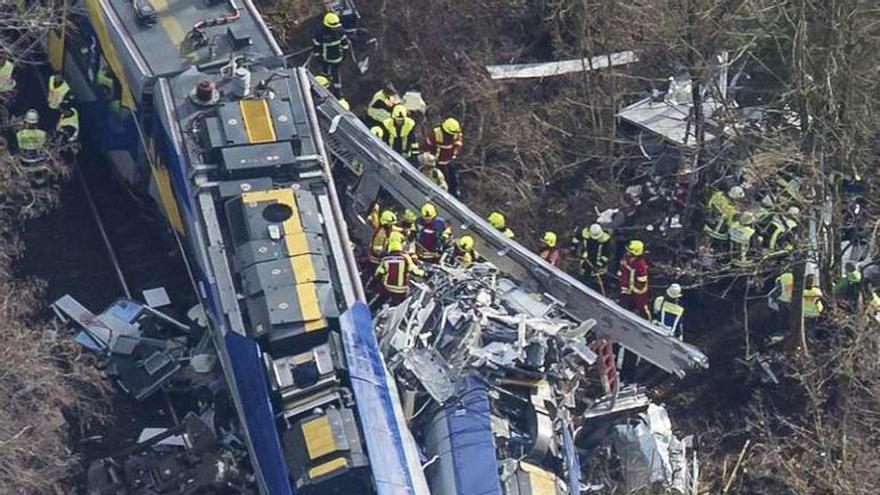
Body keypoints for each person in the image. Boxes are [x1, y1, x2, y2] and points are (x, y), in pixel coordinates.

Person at [373, 234, 425, 307]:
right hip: (401, 290)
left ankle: (372, 310)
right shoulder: (406, 259)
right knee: (398, 306)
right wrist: (423, 273)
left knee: (379, 300)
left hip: (388, 287)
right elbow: (414, 271)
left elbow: (379, 273)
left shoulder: (385, 259)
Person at [423, 117, 463, 196]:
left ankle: (455, 194)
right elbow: (427, 147)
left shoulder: (456, 133)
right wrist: (429, 159)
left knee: (454, 178)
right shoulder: (436, 134)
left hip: (449, 160)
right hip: (437, 162)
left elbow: (458, 142)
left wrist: (456, 151)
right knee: (441, 180)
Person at [312, 12, 350, 92]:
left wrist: (345, 54)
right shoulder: (320, 32)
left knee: (336, 74)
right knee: (324, 74)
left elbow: (345, 43)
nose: (334, 29)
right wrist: (318, 57)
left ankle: (337, 92)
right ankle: (323, 89)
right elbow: (316, 45)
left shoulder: (340, 30)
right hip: (325, 58)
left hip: (337, 58)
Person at [617, 239, 650, 319]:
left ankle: (645, 318)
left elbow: (641, 281)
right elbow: (623, 267)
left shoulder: (640, 265)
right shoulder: (626, 257)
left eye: (630, 251)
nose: (627, 252)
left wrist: (634, 288)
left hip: (638, 290)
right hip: (626, 285)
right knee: (624, 301)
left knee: (641, 305)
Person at [704, 186, 744, 250]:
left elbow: (710, 204)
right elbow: (730, 223)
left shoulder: (718, 195)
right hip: (719, 232)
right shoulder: (730, 209)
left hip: (708, 222)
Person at [578, 224, 612, 295]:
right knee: (583, 276)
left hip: (598, 264)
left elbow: (606, 255)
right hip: (586, 260)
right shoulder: (585, 233)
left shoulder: (606, 240)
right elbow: (577, 239)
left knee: (595, 282)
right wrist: (574, 248)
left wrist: (599, 264)